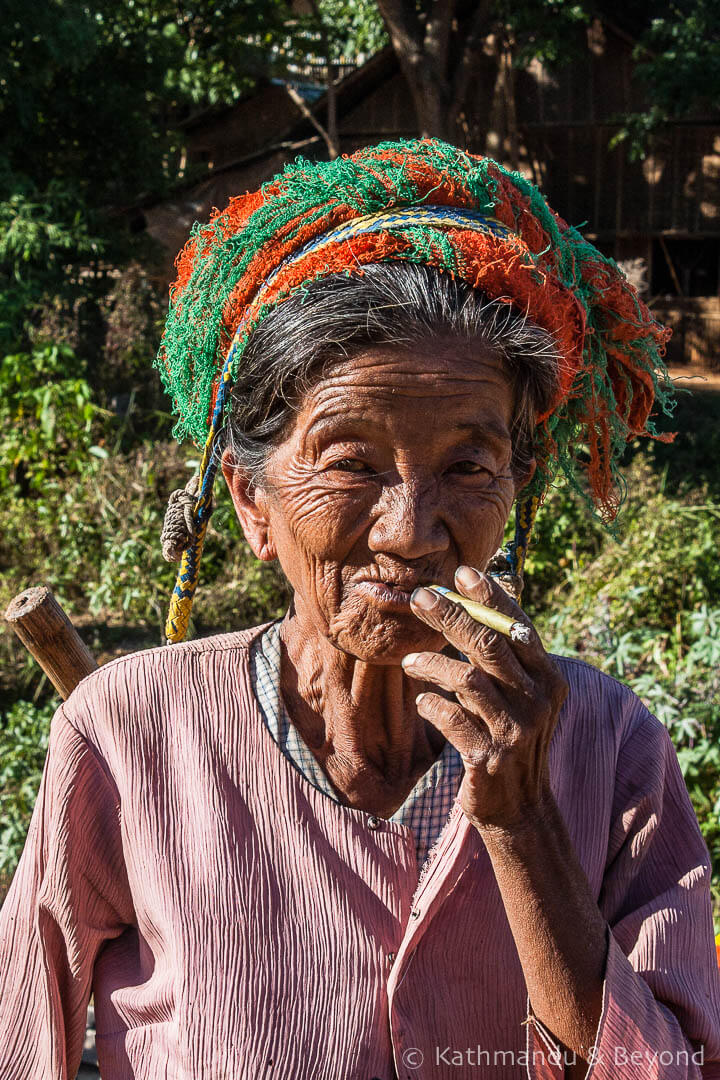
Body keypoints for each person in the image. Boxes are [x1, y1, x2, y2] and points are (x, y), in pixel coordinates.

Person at [1, 139, 719, 1080]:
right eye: (349, 463)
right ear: (253, 504)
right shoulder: (127, 733)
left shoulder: (610, 746)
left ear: (517, 487)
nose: (411, 532)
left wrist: (522, 824)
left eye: (467, 466)